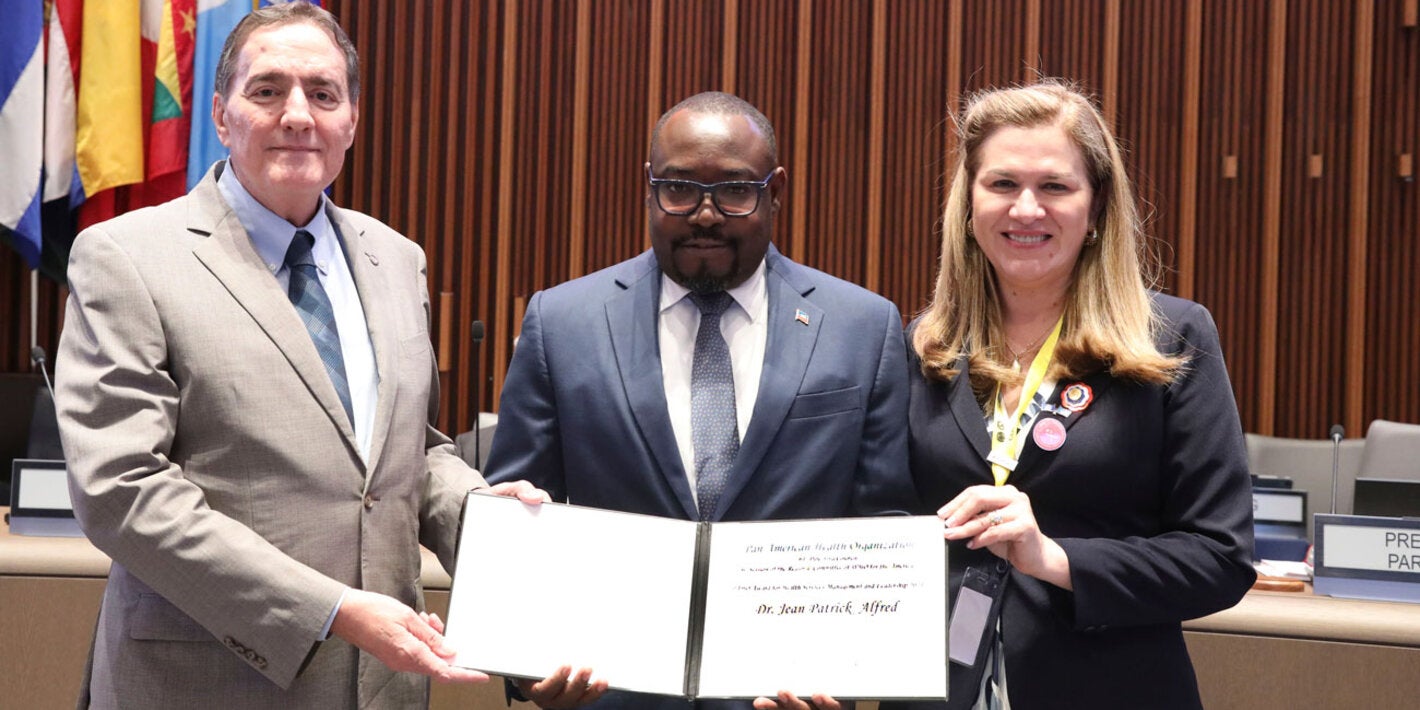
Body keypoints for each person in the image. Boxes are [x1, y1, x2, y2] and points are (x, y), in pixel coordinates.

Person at [53, 4, 546, 708]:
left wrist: (485, 515)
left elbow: (408, 452)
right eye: (267, 91)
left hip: (382, 687)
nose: (296, 114)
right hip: (204, 684)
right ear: (221, 116)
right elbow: (122, 490)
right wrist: (333, 610)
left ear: (351, 120)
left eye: (322, 93)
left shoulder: (396, 259)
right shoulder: (128, 257)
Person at [482, 91, 916, 710]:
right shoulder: (563, 321)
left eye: (736, 191)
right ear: (648, 186)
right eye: (679, 188)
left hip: (784, 695)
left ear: (777, 191)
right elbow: (520, 515)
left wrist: (849, 674)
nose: (705, 215)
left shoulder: (862, 328)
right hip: (612, 696)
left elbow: (884, 524)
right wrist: (524, 666)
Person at [890, 80, 1256, 710]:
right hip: (934, 690)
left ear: (1096, 208)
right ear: (969, 203)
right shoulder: (918, 348)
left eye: (1055, 187)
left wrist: (1055, 558)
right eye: (1002, 184)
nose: (1026, 209)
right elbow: (875, 525)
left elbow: (1219, 557)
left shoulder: (1172, 340)